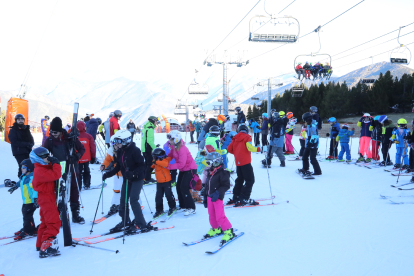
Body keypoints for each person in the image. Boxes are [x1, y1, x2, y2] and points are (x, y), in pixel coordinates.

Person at [102, 130, 154, 233]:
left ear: (126, 140)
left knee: (133, 200)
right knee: (123, 201)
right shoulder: (121, 151)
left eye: (118, 141)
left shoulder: (135, 150)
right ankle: (125, 221)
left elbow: (142, 165)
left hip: (137, 178)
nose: (116, 144)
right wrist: (108, 174)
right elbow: (119, 166)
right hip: (127, 178)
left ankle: (141, 224)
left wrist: (133, 173)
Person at [42, 117, 85, 224]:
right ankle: (60, 214)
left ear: (60, 130)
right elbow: (44, 154)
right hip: (59, 168)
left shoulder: (70, 138)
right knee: (60, 190)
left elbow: (82, 149)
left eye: (55, 132)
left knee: (74, 189)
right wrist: (50, 160)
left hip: (72, 166)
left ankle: (75, 214)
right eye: (51, 131)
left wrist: (76, 157)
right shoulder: (50, 140)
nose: (53, 134)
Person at [30, 147, 61, 258]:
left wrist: (52, 163)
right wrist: (56, 164)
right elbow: (56, 175)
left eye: (48, 155)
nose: (48, 157)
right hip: (47, 198)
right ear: (38, 158)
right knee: (54, 222)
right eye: (45, 156)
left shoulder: (42, 167)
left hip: (46, 197)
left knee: (45, 222)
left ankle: (40, 244)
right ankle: (46, 246)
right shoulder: (40, 170)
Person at [202, 152, 235, 245]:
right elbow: (207, 185)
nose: (208, 165)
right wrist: (205, 196)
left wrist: (218, 192)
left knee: (219, 216)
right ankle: (216, 229)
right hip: (209, 197)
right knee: (211, 215)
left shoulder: (223, 172)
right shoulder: (210, 171)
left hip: (217, 197)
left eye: (209, 163)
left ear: (216, 162)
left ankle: (229, 231)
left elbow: (226, 185)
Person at [227, 124, 260, 206]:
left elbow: (229, 149)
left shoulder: (235, 138)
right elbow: (250, 148)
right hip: (246, 162)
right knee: (250, 180)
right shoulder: (247, 137)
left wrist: (237, 153)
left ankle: (236, 196)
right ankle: (244, 198)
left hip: (238, 163)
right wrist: (260, 149)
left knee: (240, 179)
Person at [167, 130, 197, 215]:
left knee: (184, 187)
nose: (169, 141)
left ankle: (191, 207)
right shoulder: (174, 147)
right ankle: (183, 205)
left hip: (190, 168)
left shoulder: (182, 149)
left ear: (176, 139)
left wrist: (169, 167)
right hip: (183, 169)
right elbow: (170, 156)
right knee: (178, 186)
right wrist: (162, 159)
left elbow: (181, 164)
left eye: (171, 139)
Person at [8, 158, 38, 240]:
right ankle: (28, 227)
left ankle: (28, 230)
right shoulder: (24, 176)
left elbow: (35, 189)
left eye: (24, 167)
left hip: (31, 201)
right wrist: (15, 187)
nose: (22, 169)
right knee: (26, 214)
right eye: (21, 167)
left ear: (29, 168)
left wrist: (36, 199)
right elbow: (19, 182)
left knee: (27, 215)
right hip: (26, 200)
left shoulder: (31, 178)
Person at [100, 135, 124, 217]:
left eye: (117, 144)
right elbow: (107, 159)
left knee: (130, 190)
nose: (115, 146)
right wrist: (104, 165)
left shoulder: (124, 151)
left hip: (126, 174)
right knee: (116, 189)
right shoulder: (111, 151)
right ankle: (115, 204)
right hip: (117, 174)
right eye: (114, 144)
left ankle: (137, 203)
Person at [151, 148, 177, 219]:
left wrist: (156, 161)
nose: (154, 158)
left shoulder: (165, 160)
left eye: (155, 157)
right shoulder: (156, 161)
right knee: (158, 197)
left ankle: (172, 207)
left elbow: (165, 164)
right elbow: (152, 166)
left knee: (168, 195)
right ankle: (159, 210)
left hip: (166, 182)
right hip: (159, 182)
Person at [76, 121, 96, 190]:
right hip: (86, 159)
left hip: (78, 158)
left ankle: (78, 186)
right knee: (86, 171)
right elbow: (93, 147)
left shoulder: (74, 136)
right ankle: (87, 184)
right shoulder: (89, 136)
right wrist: (93, 157)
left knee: (78, 172)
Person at [141, 116, 158, 184]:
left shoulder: (145, 127)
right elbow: (149, 141)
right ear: (153, 121)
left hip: (144, 148)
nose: (156, 123)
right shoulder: (150, 129)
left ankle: (144, 177)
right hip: (147, 148)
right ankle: (147, 178)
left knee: (146, 163)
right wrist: (155, 148)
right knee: (149, 164)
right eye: (156, 121)